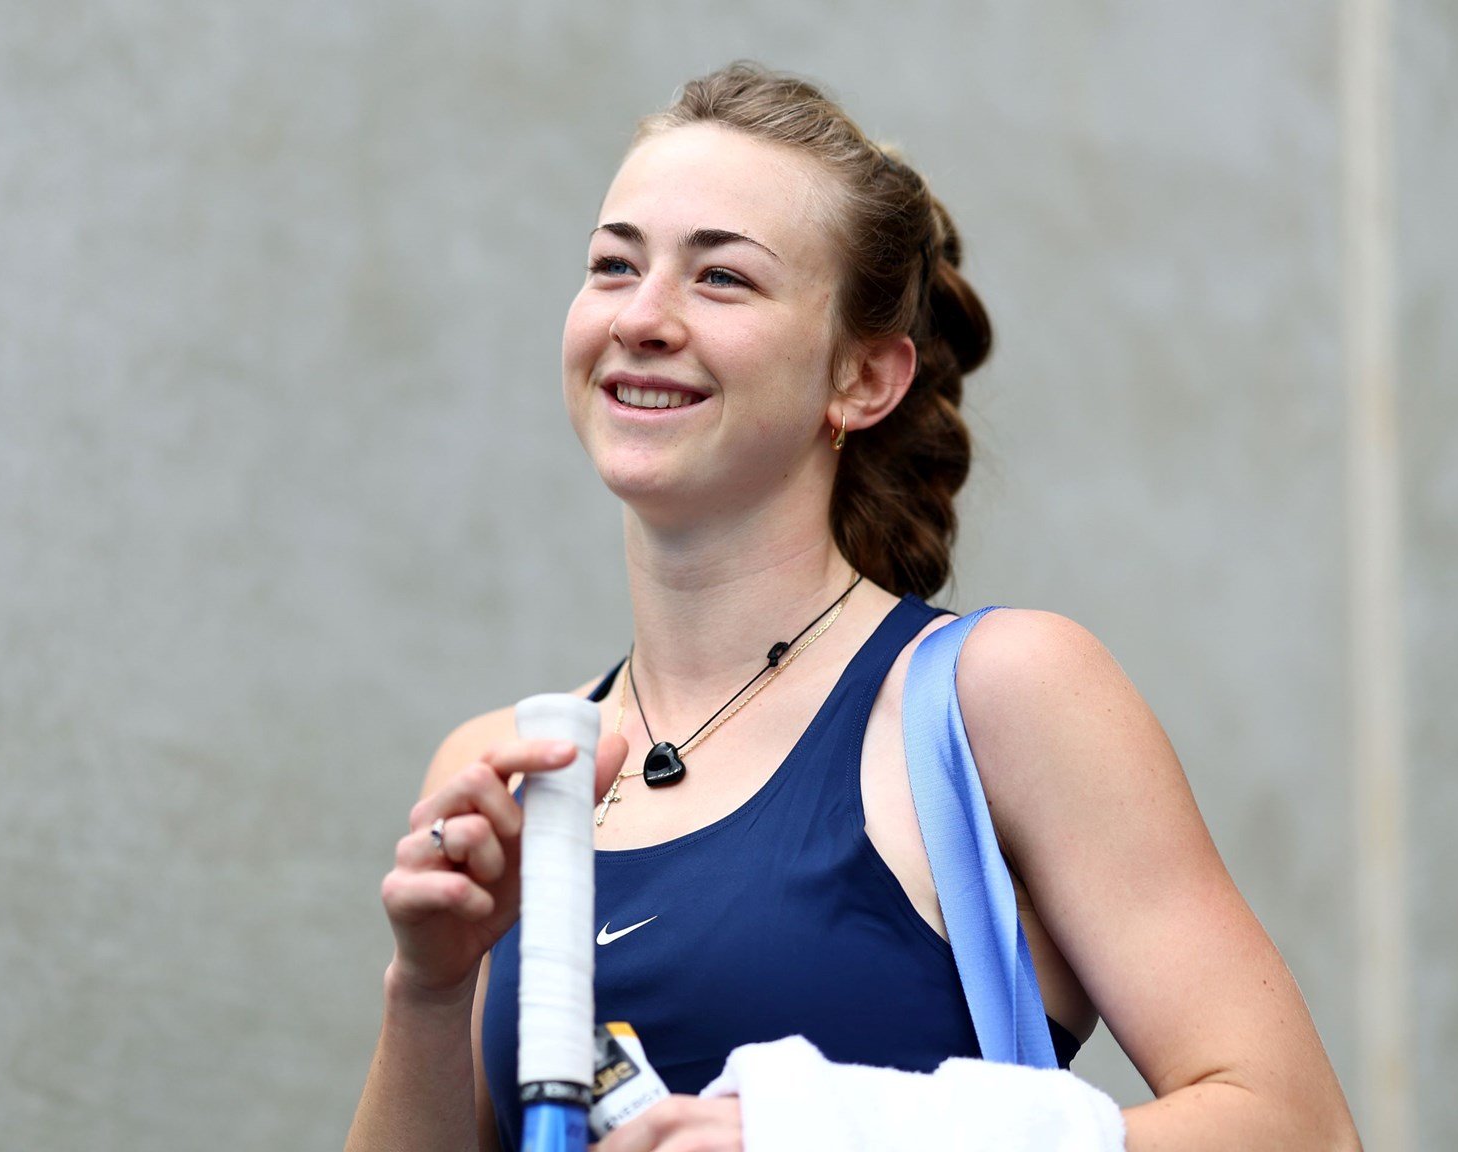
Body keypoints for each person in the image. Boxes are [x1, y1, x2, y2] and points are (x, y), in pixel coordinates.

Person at [347, 63, 1361, 1152]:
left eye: (720, 279)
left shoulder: (998, 696)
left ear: (862, 379)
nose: (641, 317)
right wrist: (430, 990)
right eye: (611, 265)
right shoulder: (513, 765)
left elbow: (1296, 1127)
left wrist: (816, 1133)